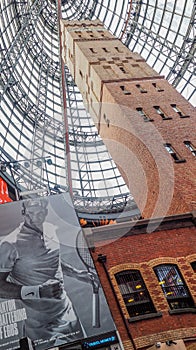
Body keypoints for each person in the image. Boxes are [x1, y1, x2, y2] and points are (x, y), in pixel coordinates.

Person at [0, 197, 97, 348]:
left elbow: (53, 260)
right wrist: (37, 291)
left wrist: (77, 273)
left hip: (67, 312)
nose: (35, 218)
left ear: (45, 212)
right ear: (24, 213)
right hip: (38, 325)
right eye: (31, 213)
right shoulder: (9, 244)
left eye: (40, 214)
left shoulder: (51, 229)